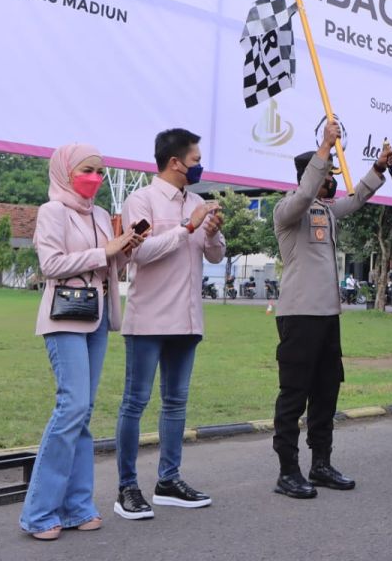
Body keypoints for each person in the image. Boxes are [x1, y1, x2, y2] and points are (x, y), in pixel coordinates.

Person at [19, 145, 147, 540]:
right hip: (63, 315)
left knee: (84, 412)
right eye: (87, 170)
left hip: (96, 315)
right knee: (71, 406)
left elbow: (106, 266)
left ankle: (76, 506)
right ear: (65, 171)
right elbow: (51, 265)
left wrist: (125, 250)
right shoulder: (52, 211)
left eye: (99, 170)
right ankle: (40, 512)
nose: (94, 177)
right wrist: (103, 250)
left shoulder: (98, 216)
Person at [271, 122, 392, 498]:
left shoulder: (326, 211)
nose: (333, 184)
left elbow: (356, 200)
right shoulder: (287, 210)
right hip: (298, 316)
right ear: (315, 177)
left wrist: (378, 169)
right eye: (329, 178)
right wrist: (325, 147)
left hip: (328, 318)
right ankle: (288, 471)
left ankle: (320, 463)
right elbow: (306, 191)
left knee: (326, 390)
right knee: (294, 393)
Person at [115, 129, 225, 520]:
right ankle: (127, 487)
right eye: (195, 160)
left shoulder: (196, 201)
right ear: (176, 162)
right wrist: (187, 228)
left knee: (176, 403)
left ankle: (168, 480)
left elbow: (214, 255)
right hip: (148, 319)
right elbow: (139, 253)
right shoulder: (140, 200)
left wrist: (211, 233)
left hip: (188, 318)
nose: (199, 166)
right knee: (136, 402)